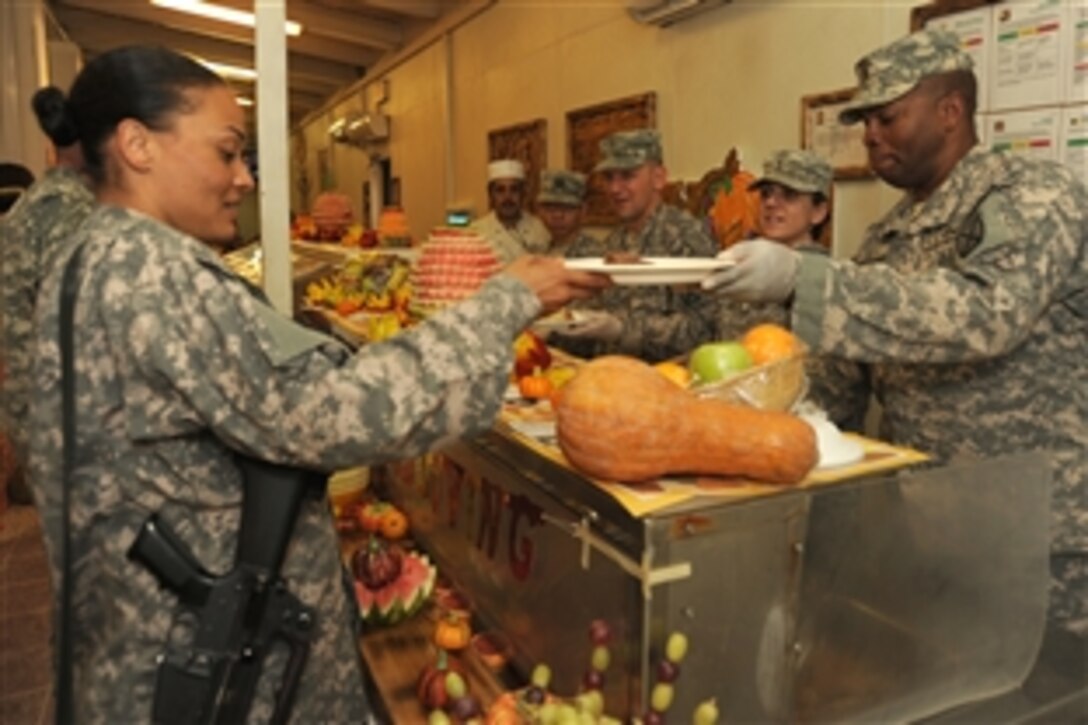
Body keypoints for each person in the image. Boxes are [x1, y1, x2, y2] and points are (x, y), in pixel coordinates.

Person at [27, 45, 609, 722]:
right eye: (226, 152)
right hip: (195, 668)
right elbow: (331, 415)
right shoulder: (150, 271)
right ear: (137, 145)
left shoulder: (91, 254)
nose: (244, 178)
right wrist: (503, 303)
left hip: (143, 645)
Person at [704, 29, 1087, 636]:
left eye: (887, 116)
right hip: (930, 534)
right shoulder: (887, 235)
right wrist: (736, 419)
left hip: (1039, 542)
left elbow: (987, 315)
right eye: (866, 121)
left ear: (951, 111)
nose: (871, 135)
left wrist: (805, 280)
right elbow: (842, 382)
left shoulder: (1034, 193)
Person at [0, 90, 96, 507]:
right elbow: (83, 319)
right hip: (62, 412)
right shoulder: (70, 210)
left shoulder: (35, 201)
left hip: (33, 403)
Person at [554, 129, 719, 362]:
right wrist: (554, 328)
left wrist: (623, 328)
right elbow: (589, 321)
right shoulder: (612, 243)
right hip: (609, 379)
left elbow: (705, 328)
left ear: (659, 178)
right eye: (609, 178)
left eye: (628, 176)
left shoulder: (686, 236)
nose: (614, 188)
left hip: (667, 382)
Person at [713, 149, 835, 340]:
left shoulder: (830, 280)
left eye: (789, 195)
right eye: (766, 194)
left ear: (818, 211)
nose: (770, 203)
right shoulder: (743, 260)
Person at [471, 158, 551, 263]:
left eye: (514, 190)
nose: (507, 197)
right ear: (491, 195)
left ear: (523, 194)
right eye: (500, 190)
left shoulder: (539, 230)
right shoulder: (477, 232)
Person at [535, 169, 596, 257]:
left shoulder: (594, 255)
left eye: (567, 208)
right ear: (540, 211)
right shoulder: (540, 251)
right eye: (551, 208)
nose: (557, 215)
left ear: (583, 211)